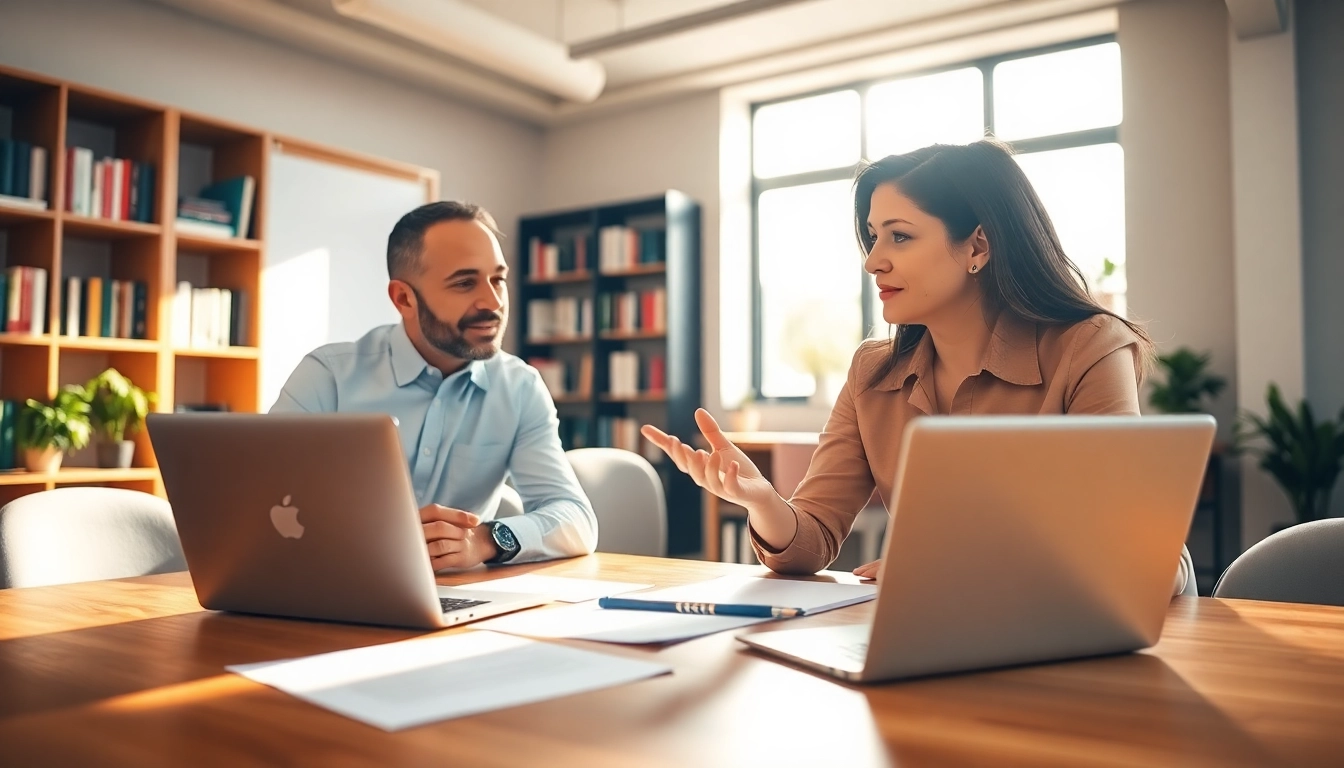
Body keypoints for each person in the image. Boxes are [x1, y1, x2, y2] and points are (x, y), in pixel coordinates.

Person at [644, 140, 1196, 596]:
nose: (872, 259)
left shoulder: (1088, 347)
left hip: (1107, 636)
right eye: (873, 235)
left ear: (978, 244)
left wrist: (957, 570)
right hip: (945, 634)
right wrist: (762, 500)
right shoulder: (872, 373)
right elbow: (810, 544)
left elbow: (1142, 558)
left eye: (899, 236)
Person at [271, 201, 597, 570]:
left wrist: (488, 539)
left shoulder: (519, 387)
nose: (492, 302)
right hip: (332, 582)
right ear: (403, 298)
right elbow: (261, 503)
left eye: (498, 279)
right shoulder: (327, 376)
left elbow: (575, 518)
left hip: (456, 599)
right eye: (464, 283)